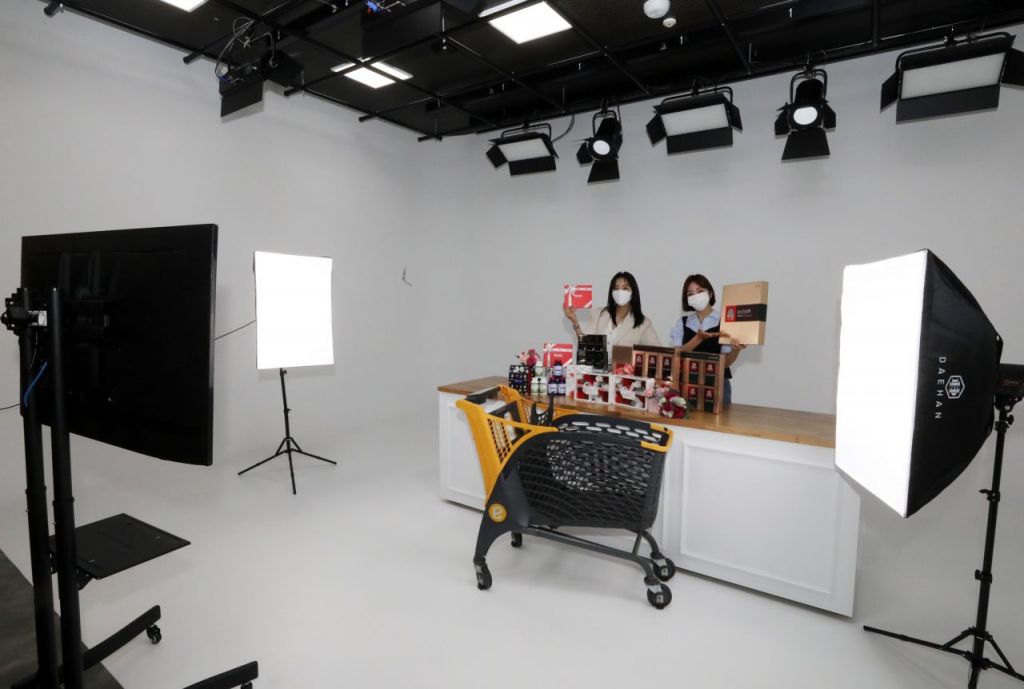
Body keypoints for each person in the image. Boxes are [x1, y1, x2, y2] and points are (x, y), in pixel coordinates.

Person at [669, 274, 744, 405]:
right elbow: (676, 355)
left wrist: (735, 350)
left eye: (700, 291)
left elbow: (725, 363)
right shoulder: (683, 322)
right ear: (687, 299)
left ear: (710, 293)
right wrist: (698, 338)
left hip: (718, 384)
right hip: (688, 383)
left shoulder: (725, 321)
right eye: (690, 294)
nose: (696, 296)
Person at [564, 271, 661, 347]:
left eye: (625, 288)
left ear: (633, 292)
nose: (620, 292)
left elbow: (658, 352)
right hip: (596, 367)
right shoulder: (598, 314)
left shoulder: (643, 323)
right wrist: (575, 322)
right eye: (616, 288)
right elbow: (584, 346)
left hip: (623, 368)